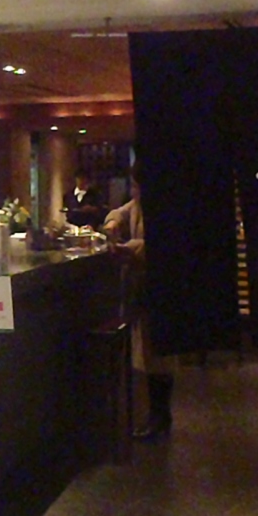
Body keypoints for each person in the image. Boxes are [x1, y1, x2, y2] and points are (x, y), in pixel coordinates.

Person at [103, 162, 178, 440]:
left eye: (137, 186)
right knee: (149, 355)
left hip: (160, 288)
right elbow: (119, 213)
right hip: (144, 287)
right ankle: (157, 417)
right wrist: (112, 222)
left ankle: (160, 417)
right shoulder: (138, 204)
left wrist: (129, 248)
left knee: (159, 356)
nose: (134, 191)